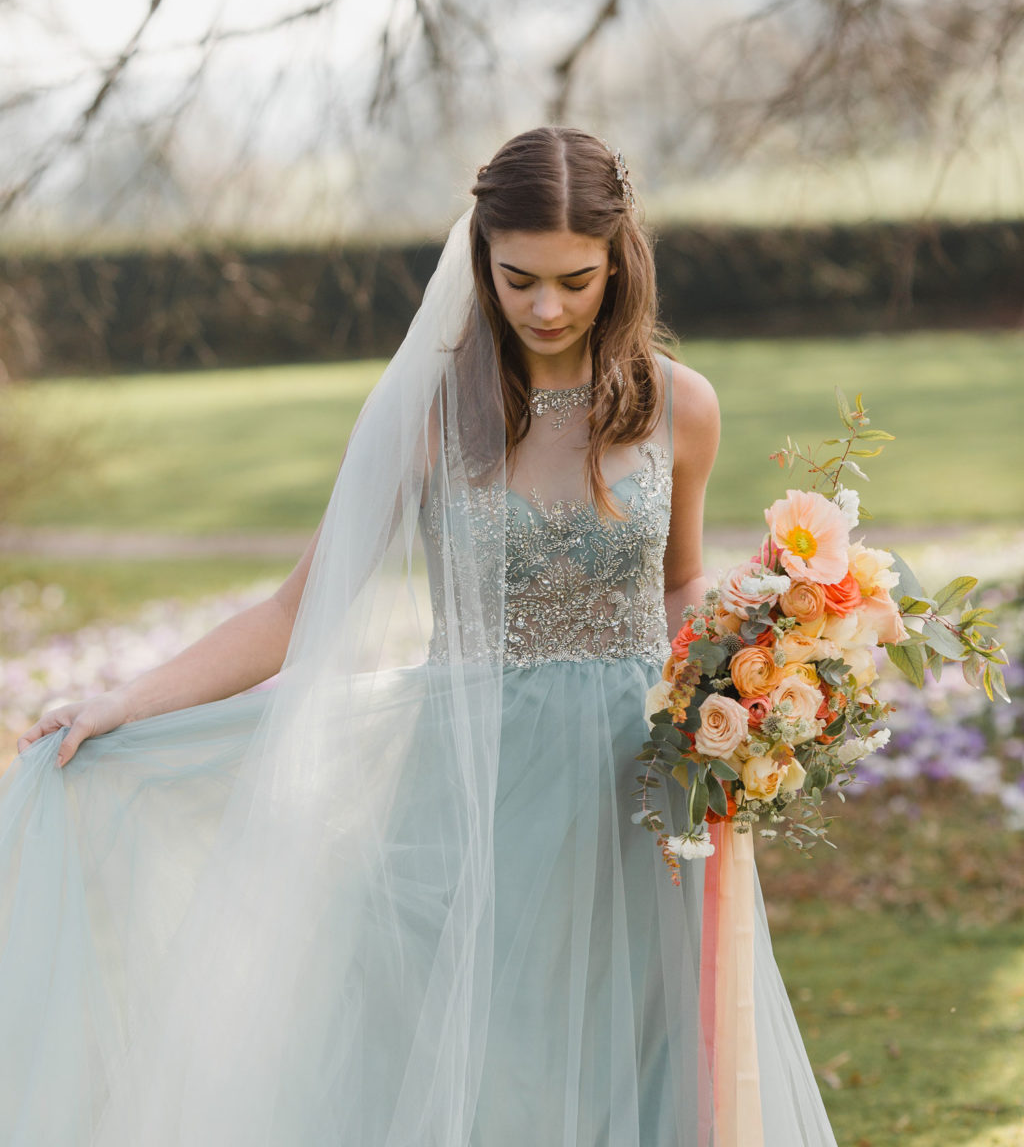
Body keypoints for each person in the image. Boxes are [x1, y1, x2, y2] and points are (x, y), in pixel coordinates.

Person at [0, 126, 837, 1146]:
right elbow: (294, 612)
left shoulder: (679, 406)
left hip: (642, 787)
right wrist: (123, 702)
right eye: (518, 276)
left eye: (575, 280)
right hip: (475, 788)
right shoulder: (432, 410)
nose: (544, 306)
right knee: (476, 1068)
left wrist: (742, 684)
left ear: (619, 263)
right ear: (479, 260)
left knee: (646, 1066)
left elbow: (677, 584)